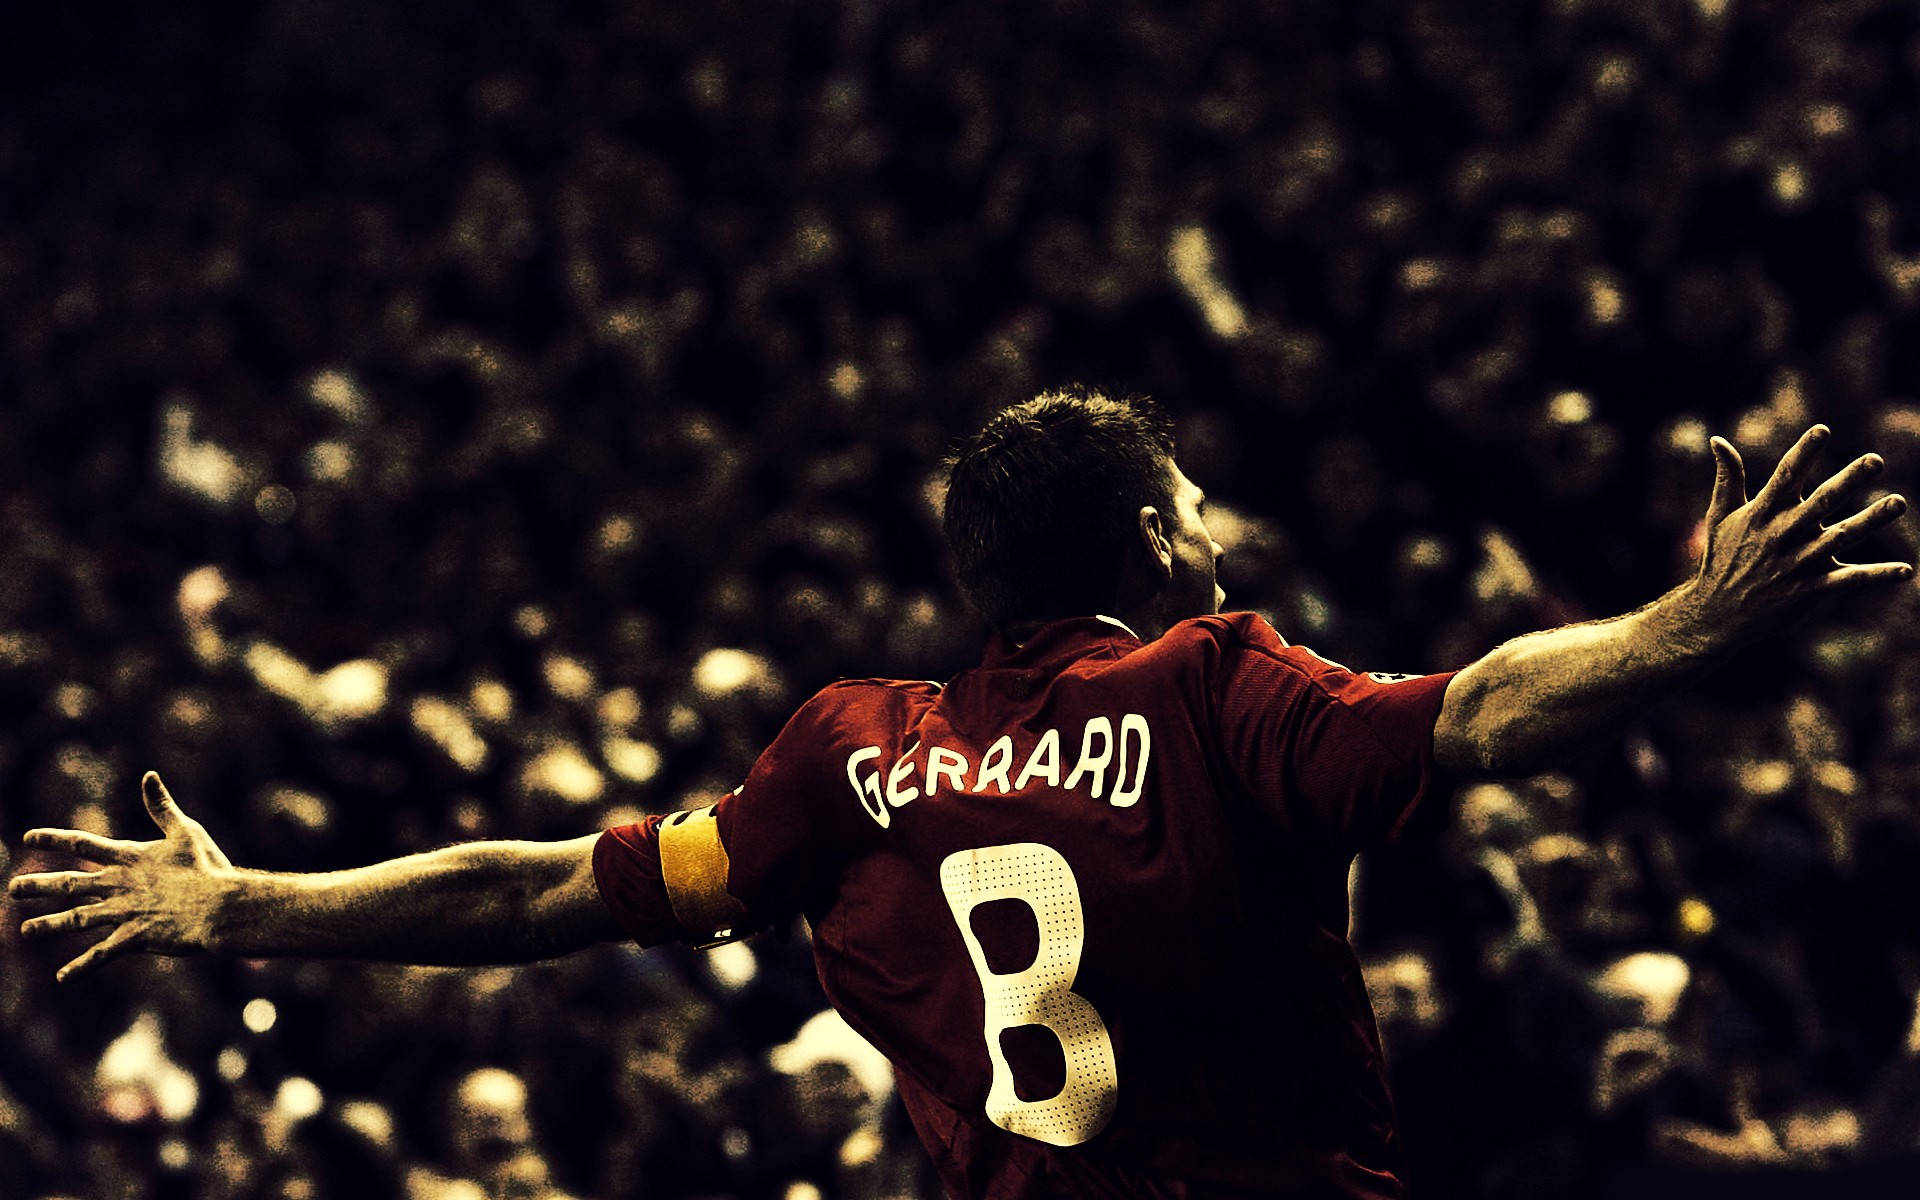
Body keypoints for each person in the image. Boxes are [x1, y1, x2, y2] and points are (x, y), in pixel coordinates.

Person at [8, 389, 1912, 1198]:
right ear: (1154, 541)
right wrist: (1696, 619)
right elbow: (1476, 716)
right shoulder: (1217, 682)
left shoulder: (852, 757)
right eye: (1198, 513)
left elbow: (539, 894)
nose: (1217, 537)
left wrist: (244, 904)